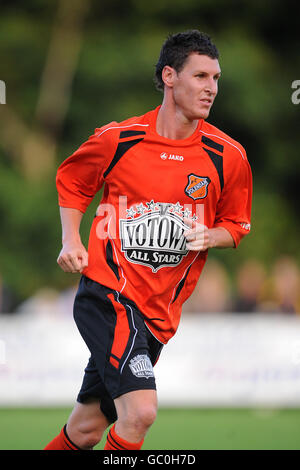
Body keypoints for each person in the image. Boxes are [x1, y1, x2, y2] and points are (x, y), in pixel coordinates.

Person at [44, 30, 252, 451]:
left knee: (85, 430)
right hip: (109, 297)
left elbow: (236, 225)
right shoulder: (118, 139)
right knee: (140, 413)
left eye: (216, 78)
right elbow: (73, 182)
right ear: (169, 76)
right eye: (200, 76)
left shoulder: (227, 156)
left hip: (158, 317)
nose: (211, 88)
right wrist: (71, 240)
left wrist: (211, 236)